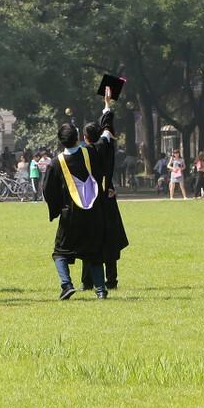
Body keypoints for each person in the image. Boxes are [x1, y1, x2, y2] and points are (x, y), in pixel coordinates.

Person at [44, 122, 107, 299]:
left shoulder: (56, 163)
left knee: (59, 252)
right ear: (78, 138)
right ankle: (101, 290)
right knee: (94, 252)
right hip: (93, 213)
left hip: (70, 215)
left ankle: (66, 285)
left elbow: (49, 191)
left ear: (60, 141)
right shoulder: (90, 153)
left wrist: (58, 209)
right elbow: (101, 165)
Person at [81, 88, 129, 292]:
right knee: (109, 239)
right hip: (107, 195)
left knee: (89, 238)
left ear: (85, 137)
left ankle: (87, 281)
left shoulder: (83, 153)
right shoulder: (107, 147)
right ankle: (111, 280)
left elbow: (106, 128)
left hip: (90, 199)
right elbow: (108, 127)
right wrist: (107, 104)